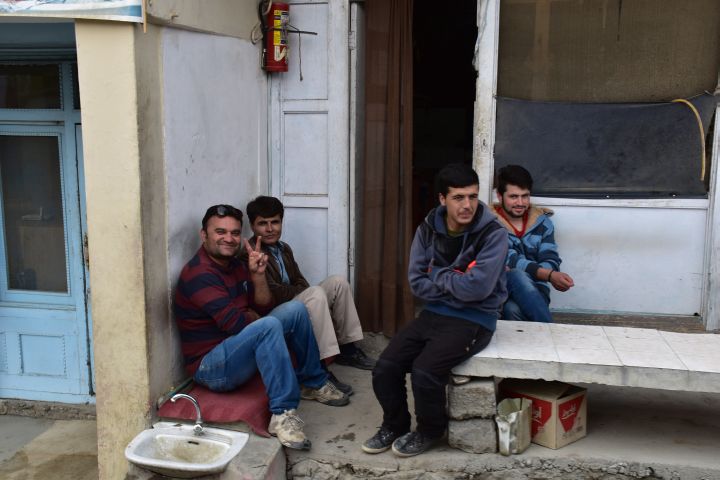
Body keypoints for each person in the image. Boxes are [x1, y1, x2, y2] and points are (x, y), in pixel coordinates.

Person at [174, 204, 349, 451]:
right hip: (211, 367)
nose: (229, 238)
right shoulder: (200, 274)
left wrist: (257, 276)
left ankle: (312, 382)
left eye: (235, 233)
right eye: (220, 232)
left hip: (235, 350)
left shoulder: (235, 265)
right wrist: (254, 318)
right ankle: (282, 414)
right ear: (204, 235)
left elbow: (263, 306)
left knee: (295, 310)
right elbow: (235, 324)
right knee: (267, 326)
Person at [362, 163, 508, 457]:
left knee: (425, 371)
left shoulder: (493, 233)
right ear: (442, 199)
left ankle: (429, 430)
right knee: (385, 367)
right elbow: (417, 282)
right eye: (458, 198)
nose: (467, 205)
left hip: (476, 318)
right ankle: (395, 424)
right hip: (434, 313)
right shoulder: (428, 228)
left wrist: (438, 273)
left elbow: (478, 290)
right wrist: (458, 279)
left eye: (472, 196)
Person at [244, 196, 375, 396]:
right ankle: (321, 368)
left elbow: (300, 281)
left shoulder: (283, 248)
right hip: (273, 315)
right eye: (263, 223)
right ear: (253, 226)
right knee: (314, 293)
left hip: (292, 302)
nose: (270, 229)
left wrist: (299, 290)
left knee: (337, 282)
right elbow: (273, 294)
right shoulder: (251, 254)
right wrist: (301, 291)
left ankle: (348, 350)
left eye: (275, 222)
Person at [493, 165, 575, 323]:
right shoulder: (490, 225)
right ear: (499, 195)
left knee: (513, 310)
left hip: (536, 292)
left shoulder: (542, 223)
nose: (520, 202)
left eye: (525, 196)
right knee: (516, 274)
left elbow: (551, 259)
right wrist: (549, 275)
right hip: (500, 292)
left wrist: (548, 272)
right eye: (513, 196)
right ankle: (551, 332)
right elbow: (510, 260)